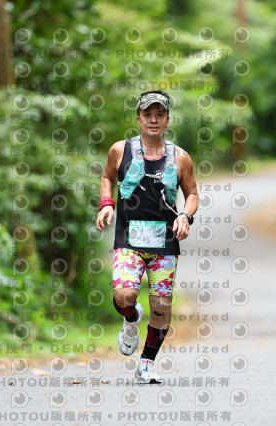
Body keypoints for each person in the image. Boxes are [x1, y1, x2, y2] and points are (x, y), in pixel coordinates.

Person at [95, 90, 199, 384]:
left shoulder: (181, 157)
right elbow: (107, 177)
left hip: (165, 243)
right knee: (124, 296)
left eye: (159, 114)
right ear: (138, 119)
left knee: (162, 307)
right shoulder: (120, 151)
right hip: (129, 240)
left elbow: (192, 193)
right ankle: (131, 318)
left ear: (167, 119)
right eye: (148, 114)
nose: (154, 119)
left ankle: (146, 364)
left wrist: (185, 216)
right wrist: (107, 203)